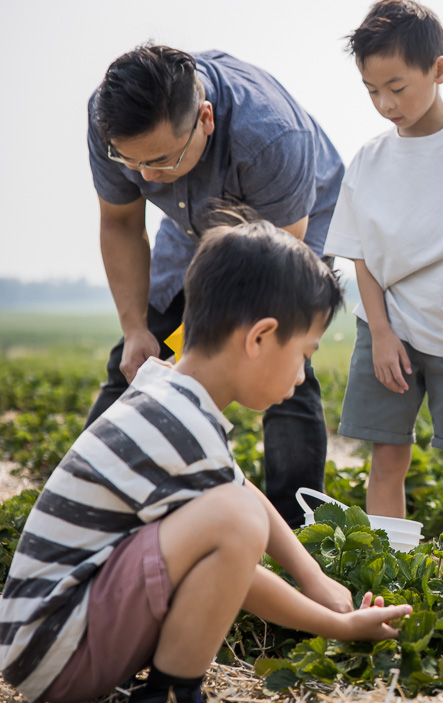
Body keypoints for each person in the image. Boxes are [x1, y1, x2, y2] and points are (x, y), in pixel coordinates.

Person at [0, 216, 413, 703]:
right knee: (233, 518)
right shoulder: (177, 423)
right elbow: (239, 541)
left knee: (235, 507)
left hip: (54, 639)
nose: (303, 373)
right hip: (57, 652)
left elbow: (240, 490)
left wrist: (315, 578)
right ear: (259, 338)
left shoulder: (166, 391)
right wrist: (339, 627)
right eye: (304, 354)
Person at [84, 44, 346, 527]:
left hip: (287, 225)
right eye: (132, 163)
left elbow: (272, 274)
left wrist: (189, 355)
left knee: (286, 362)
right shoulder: (110, 120)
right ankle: (90, 495)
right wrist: (139, 329)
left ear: (205, 118)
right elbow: (120, 224)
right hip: (190, 225)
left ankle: (297, 523)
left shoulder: (269, 135)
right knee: (139, 355)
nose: (146, 177)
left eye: (161, 160)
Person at [325, 0, 443, 566]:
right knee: (387, 458)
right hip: (387, 331)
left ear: (439, 70)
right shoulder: (369, 159)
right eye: (371, 91)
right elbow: (360, 256)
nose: (386, 105)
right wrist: (380, 333)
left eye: (397, 87)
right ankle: (395, 577)